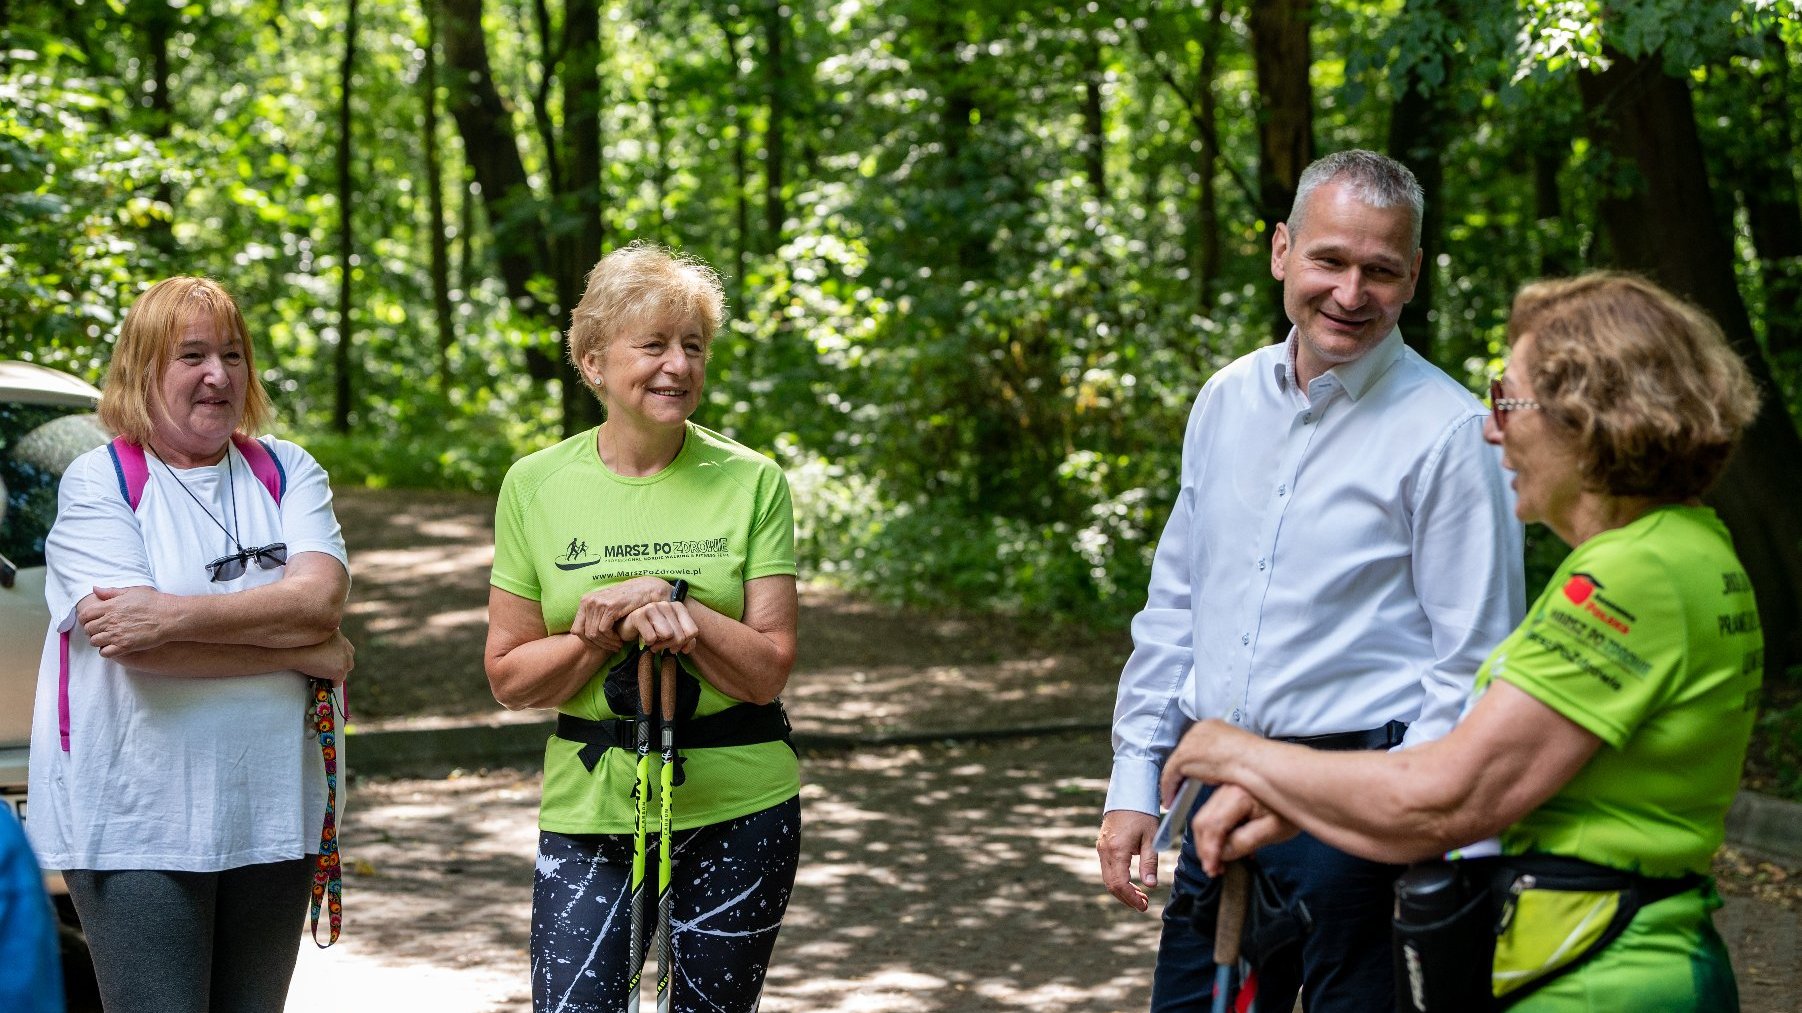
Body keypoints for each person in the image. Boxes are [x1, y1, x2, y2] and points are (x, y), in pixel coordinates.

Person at [1167, 271, 1763, 1011]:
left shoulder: (1631, 576)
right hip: (1610, 956)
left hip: (1606, 979)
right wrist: (1300, 801)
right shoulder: (1683, 548)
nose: (1490, 426)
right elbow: (1511, 780)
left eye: (1506, 400)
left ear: (1589, 415)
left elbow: (1449, 797)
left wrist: (1236, 751)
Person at [1096, 150, 1524, 1011]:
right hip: (1219, 793)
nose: (1351, 292)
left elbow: (1474, 661)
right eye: (1330, 259)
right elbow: (1178, 598)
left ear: (1413, 277)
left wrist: (1403, 824)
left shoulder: (1449, 433)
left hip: (1361, 815)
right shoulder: (1226, 398)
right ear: (1282, 249)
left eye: (1381, 270)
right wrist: (1135, 777)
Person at [485, 242, 801, 1013]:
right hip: (592, 807)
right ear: (593, 363)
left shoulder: (753, 480)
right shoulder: (535, 484)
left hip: (739, 805)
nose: (678, 365)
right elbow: (508, 677)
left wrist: (680, 608)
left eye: (693, 346)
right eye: (654, 344)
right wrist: (598, 633)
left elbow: (767, 669)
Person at [25, 276, 354, 1012]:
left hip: (274, 808)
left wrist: (169, 614)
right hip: (137, 817)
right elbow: (135, 648)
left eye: (233, 355)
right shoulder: (99, 481)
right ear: (144, 370)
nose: (219, 375)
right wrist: (297, 650)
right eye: (193, 356)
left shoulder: (286, 469)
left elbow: (321, 599)